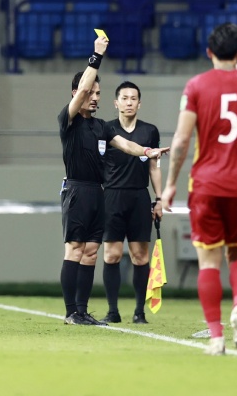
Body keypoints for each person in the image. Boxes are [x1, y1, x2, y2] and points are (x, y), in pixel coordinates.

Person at [161, 23, 237, 356]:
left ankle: (216, 337)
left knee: (208, 262)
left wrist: (170, 184)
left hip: (206, 184)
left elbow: (183, 139)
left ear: (209, 52)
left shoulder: (197, 85)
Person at [58, 37, 168, 326]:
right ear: (77, 94)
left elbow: (126, 145)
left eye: (98, 93)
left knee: (92, 252)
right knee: (74, 249)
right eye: (90, 92)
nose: (94, 96)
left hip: (98, 192)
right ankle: (71, 312)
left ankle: (82, 311)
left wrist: (147, 151)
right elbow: (83, 86)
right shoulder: (68, 120)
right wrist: (96, 55)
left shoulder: (100, 126)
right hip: (77, 190)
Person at [100, 81, 163, 325]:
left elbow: (155, 167)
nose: (128, 102)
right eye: (124, 98)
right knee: (112, 255)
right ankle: (112, 311)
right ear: (116, 103)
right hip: (112, 197)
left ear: (139, 103)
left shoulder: (150, 131)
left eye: (133, 98)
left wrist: (158, 199)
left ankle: (139, 312)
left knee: (140, 257)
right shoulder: (106, 129)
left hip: (139, 197)